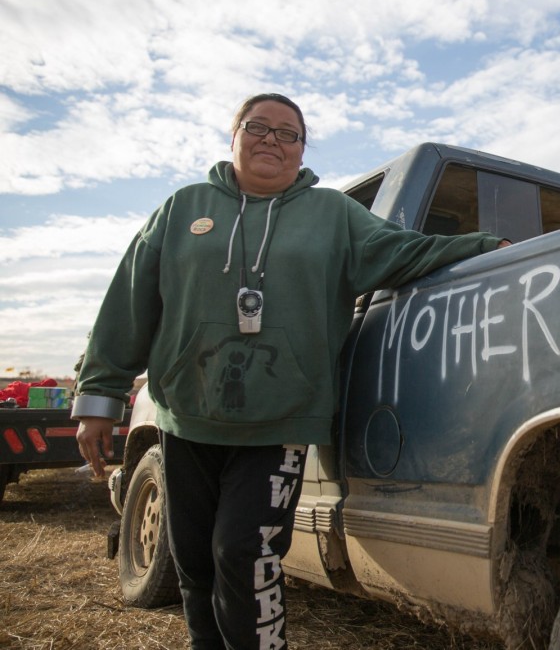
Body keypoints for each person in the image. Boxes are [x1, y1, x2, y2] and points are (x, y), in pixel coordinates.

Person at [73, 93, 509, 649]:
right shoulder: (184, 208)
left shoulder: (331, 214)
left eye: (289, 133)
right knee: (194, 563)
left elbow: (402, 250)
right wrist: (97, 399)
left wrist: (485, 247)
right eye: (258, 127)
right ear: (233, 136)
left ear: (302, 150)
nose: (272, 140)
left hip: (277, 424)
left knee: (243, 553)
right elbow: (128, 306)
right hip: (186, 419)